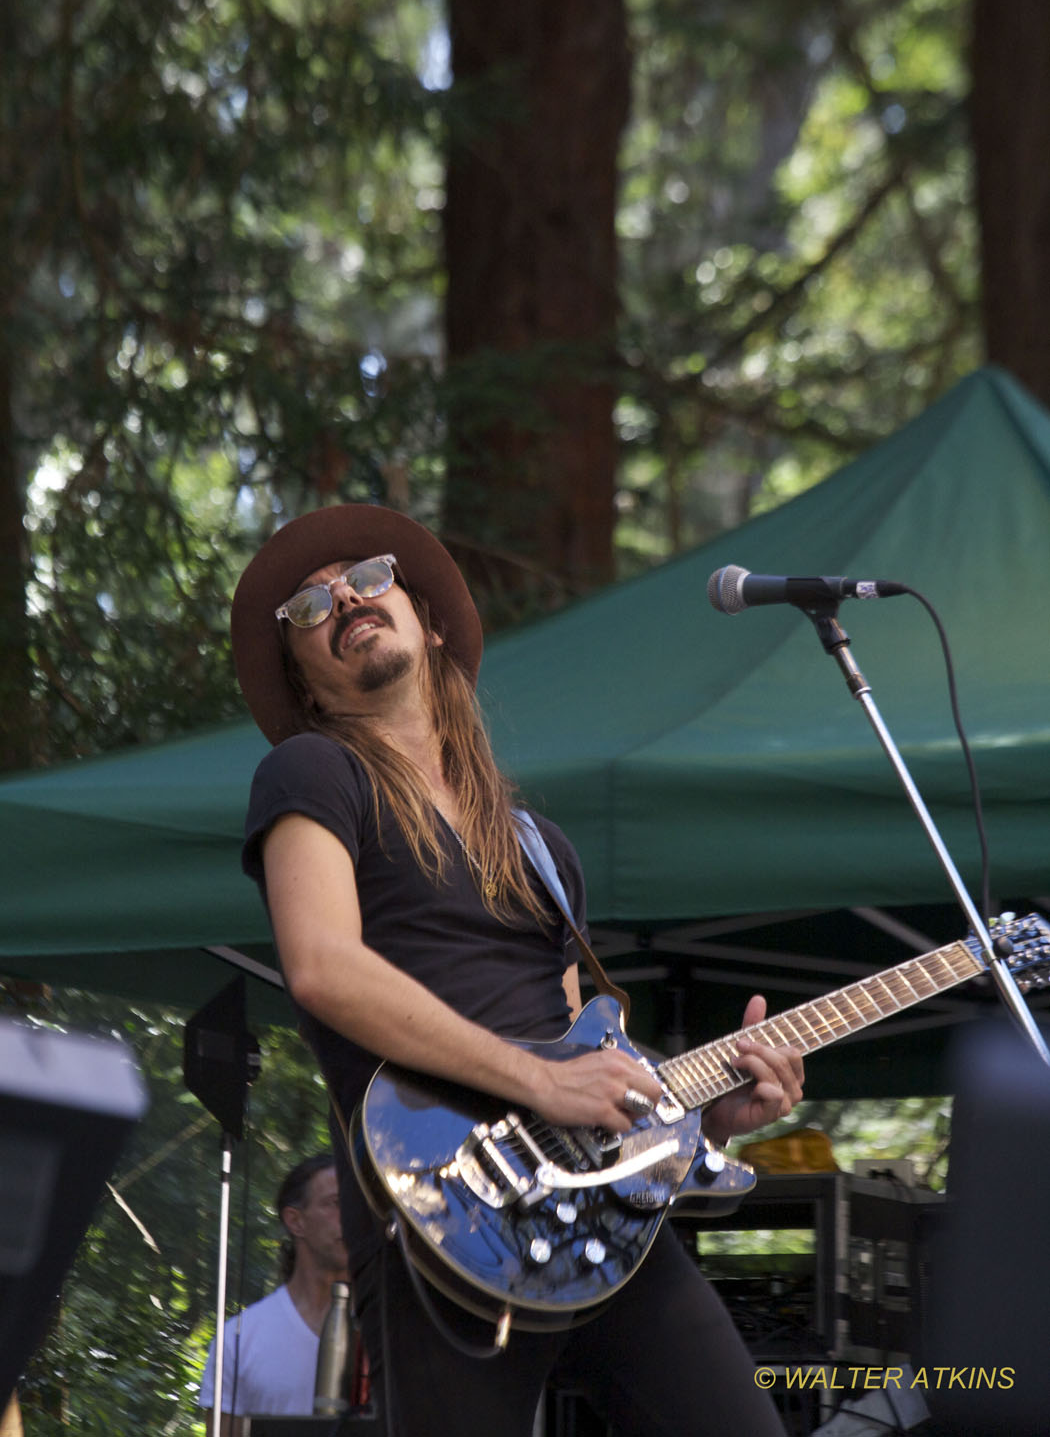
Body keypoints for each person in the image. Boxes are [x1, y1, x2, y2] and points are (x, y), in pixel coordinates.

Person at [229, 503, 805, 1437]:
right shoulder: (312, 773)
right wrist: (541, 1079)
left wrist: (699, 1117)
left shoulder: (540, 846)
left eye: (367, 578)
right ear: (308, 680)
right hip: (438, 1220)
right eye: (309, 606)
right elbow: (325, 967)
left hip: (601, 1226)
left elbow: (584, 1049)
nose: (342, 598)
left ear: (433, 621)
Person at [198, 1153, 350, 1429]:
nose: (352, 1216)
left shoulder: (390, 1331)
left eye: (358, 1205)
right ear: (295, 1221)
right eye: (337, 1203)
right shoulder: (239, 1340)